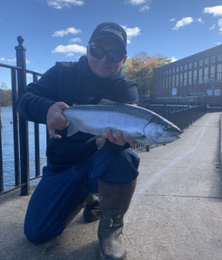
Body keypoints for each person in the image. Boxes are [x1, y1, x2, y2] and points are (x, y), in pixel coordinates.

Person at [17, 22, 140, 260]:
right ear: (87, 50)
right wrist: (46, 107)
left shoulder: (126, 88)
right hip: (61, 167)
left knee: (124, 157)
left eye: (114, 54)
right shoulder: (61, 72)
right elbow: (24, 101)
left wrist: (123, 141)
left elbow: (124, 141)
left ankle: (111, 231)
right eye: (97, 51)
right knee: (37, 232)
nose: (104, 58)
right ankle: (87, 196)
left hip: (99, 165)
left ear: (123, 60)